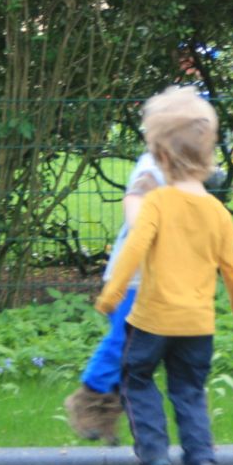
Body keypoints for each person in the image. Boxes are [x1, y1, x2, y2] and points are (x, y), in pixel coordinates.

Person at [94, 86, 233, 465]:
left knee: (137, 378)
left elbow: (132, 251)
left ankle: (153, 454)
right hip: (198, 325)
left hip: (152, 318)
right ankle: (201, 460)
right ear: (209, 158)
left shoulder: (156, 204)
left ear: (160, 157)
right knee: (189, 389)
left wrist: (111, 296)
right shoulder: (218, 213)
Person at [64, 151, 165, 445]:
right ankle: (89, 398)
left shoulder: (190, 168)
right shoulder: (154, 166)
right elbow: (137, 212)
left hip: (165, 279)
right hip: (133, 277)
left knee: (146, 350)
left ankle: (111, 407)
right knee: (125, 339)